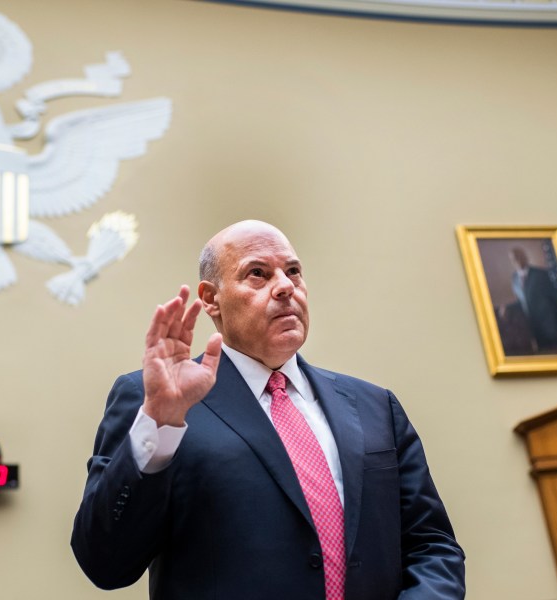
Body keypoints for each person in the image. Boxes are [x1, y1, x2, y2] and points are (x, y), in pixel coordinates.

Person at [71, 220, 465, 599]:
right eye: (258, 273)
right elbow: (106, 564)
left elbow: (433, 547)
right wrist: (160, 426)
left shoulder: (375, 406)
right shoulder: (157, 400)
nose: (284, 287)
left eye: (293, 272)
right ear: (211, 299)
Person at [506, 247, 557, 354]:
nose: (518, 260)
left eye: (520, 256)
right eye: (514, 258)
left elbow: (555, 300)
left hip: (551, 326)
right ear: (512, 262)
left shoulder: (541, 274)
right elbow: (521, 301)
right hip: (534, 328)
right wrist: (506, 308)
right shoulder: (514, 279)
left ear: (525, 257)